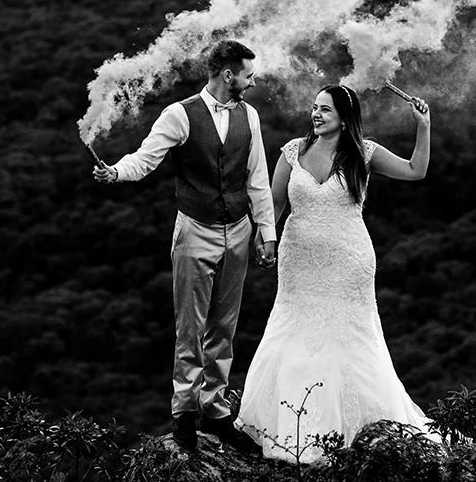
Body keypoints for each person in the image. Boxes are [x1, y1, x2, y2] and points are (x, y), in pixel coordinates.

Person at [93, 39, 277, 452]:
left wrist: (267, 233)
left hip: (240, 231)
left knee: (224, 326)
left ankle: (215, 410)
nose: (252, 80)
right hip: (195, 230)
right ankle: (184, 417)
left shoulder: (250, 115)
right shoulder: (179, 115)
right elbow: (145, 158)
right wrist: (116, 173)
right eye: (248, 74)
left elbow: (258, 179)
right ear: (228, 74)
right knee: (190, 326)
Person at [235, 84, 433, 462]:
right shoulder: (294, 151)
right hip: (299, 263)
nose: (316, 114)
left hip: (349, 262)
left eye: (325, 109)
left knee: (348, 341)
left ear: (345, 116)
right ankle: (290, 431)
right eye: (314, 108)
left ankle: (351, 431)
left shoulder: (364, 152)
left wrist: (422, 126)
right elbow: (274, 204)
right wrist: (265, 243)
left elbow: (415, 171)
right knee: (293, 335)